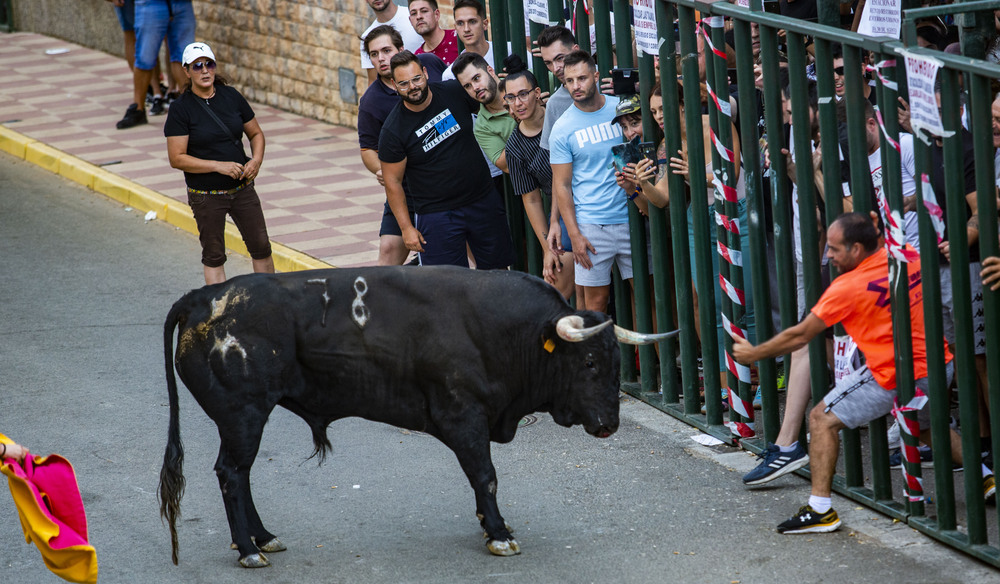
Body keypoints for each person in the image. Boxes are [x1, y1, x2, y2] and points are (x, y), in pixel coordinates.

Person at [732, 212, 995, 534]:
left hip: (897, 373)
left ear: (857, 248)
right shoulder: (906, 257)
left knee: (821, 419)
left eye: (834, 248)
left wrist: (753, 353)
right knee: (928, 428)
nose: (828, 255)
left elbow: (800, 335)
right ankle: (986, 477)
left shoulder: (847, 287)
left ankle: (820, 510)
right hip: (939, 366)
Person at [378, 51, 514, 269]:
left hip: (482, 201)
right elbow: (392, 183)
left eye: (416, 79)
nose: (412, 87)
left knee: (497, 273)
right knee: (446, 287)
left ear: (425, 73)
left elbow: (488, 105)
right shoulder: (393, 130)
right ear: (394, 85)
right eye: (404, 83)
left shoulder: (452, 92)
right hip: (436, 215)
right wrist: (406, 228)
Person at [164, 42, 275, 285]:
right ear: (186, 71)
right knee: (214, 255)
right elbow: (177, 158)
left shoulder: (231, 96)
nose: (204, 71)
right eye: (197, 66)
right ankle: (219, 312)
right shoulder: (181, 109)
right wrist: (218, 165)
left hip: (242, 188)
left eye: (209, 64)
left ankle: (270, 304)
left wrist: (256, 160)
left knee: (261, 247)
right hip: (206, 194)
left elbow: (256, 134)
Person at [549, 50, 632, 313]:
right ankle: (595, 356)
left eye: (582, 78)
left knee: (649, 296)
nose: (576, 86)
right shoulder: (562, 128)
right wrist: (574, 234)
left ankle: (657, 356)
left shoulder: (620, 107)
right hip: (591, 225)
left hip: (632, 215)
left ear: (596, 76)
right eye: (570, 81)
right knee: (595, 304)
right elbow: (561, 185)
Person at [358, 25, 446, 266]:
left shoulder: (430, 63)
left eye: (386, 50)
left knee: (466, 249)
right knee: (387, 252)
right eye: (374, 54)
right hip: (406, 189)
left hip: (448, 182)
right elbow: (367, 150)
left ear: (401, 49)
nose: (381, 58)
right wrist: (382, 170)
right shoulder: (370, 101)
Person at [499, 55, 575, 299]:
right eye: (511, 97)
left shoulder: (562, 116)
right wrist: (547, 248)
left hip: (593, 197)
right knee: (556, 284)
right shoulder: (515, 148)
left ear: (538, 93)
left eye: (523, 94)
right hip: (561, 212)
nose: (518, 103)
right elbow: (531, 200)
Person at [116, 0, 195, 129]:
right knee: (145, 55)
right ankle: (138, 108)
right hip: (150, 3)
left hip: (181, 3)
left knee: (185, 56)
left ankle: (193, 109)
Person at [453, 51, 514, 188]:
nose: (475, 88)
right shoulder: (481, 126)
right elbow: (507, 165)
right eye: (467, 86)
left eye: (476, 78)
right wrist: (527, 117)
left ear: (490, 71)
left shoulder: (523, 82)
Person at [536, 25, 581, 151]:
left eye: (560, 58)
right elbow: (554, 154)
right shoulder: (555, 103)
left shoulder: (607, 82)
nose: (555, 68)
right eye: (548, 63)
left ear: (576, 50)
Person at [360, 0, 424, 86]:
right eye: (374, 54)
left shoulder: (414, 16)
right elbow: (373, 80)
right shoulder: (367, 37)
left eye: (386, 51)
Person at [441, 0, 493, 81]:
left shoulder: (510, 50)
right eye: (460, 23)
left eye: (472, 22)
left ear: (485, 24)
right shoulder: (450, 75)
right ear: (455, 28)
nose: (466, 29)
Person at [409, 0, 458, 65]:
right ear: (410, 21)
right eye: (414, 13)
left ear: (436, 14)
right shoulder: (417, 58)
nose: (418, 17)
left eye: (424, 11)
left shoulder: (457, 38)